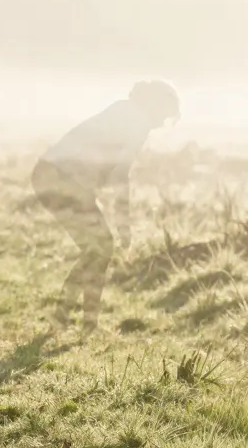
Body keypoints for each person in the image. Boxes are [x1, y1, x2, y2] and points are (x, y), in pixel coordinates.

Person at [31, 79, 181, 333]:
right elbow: (120, 175)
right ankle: (69, 320)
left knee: (98, 248)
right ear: (156, 106)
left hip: (48, 173)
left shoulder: (123, 109)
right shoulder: (139, 122)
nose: (162, 123)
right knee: (100, 247)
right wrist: (124, 225)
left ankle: (81, 322)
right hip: (63, 179)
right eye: (165, 115)